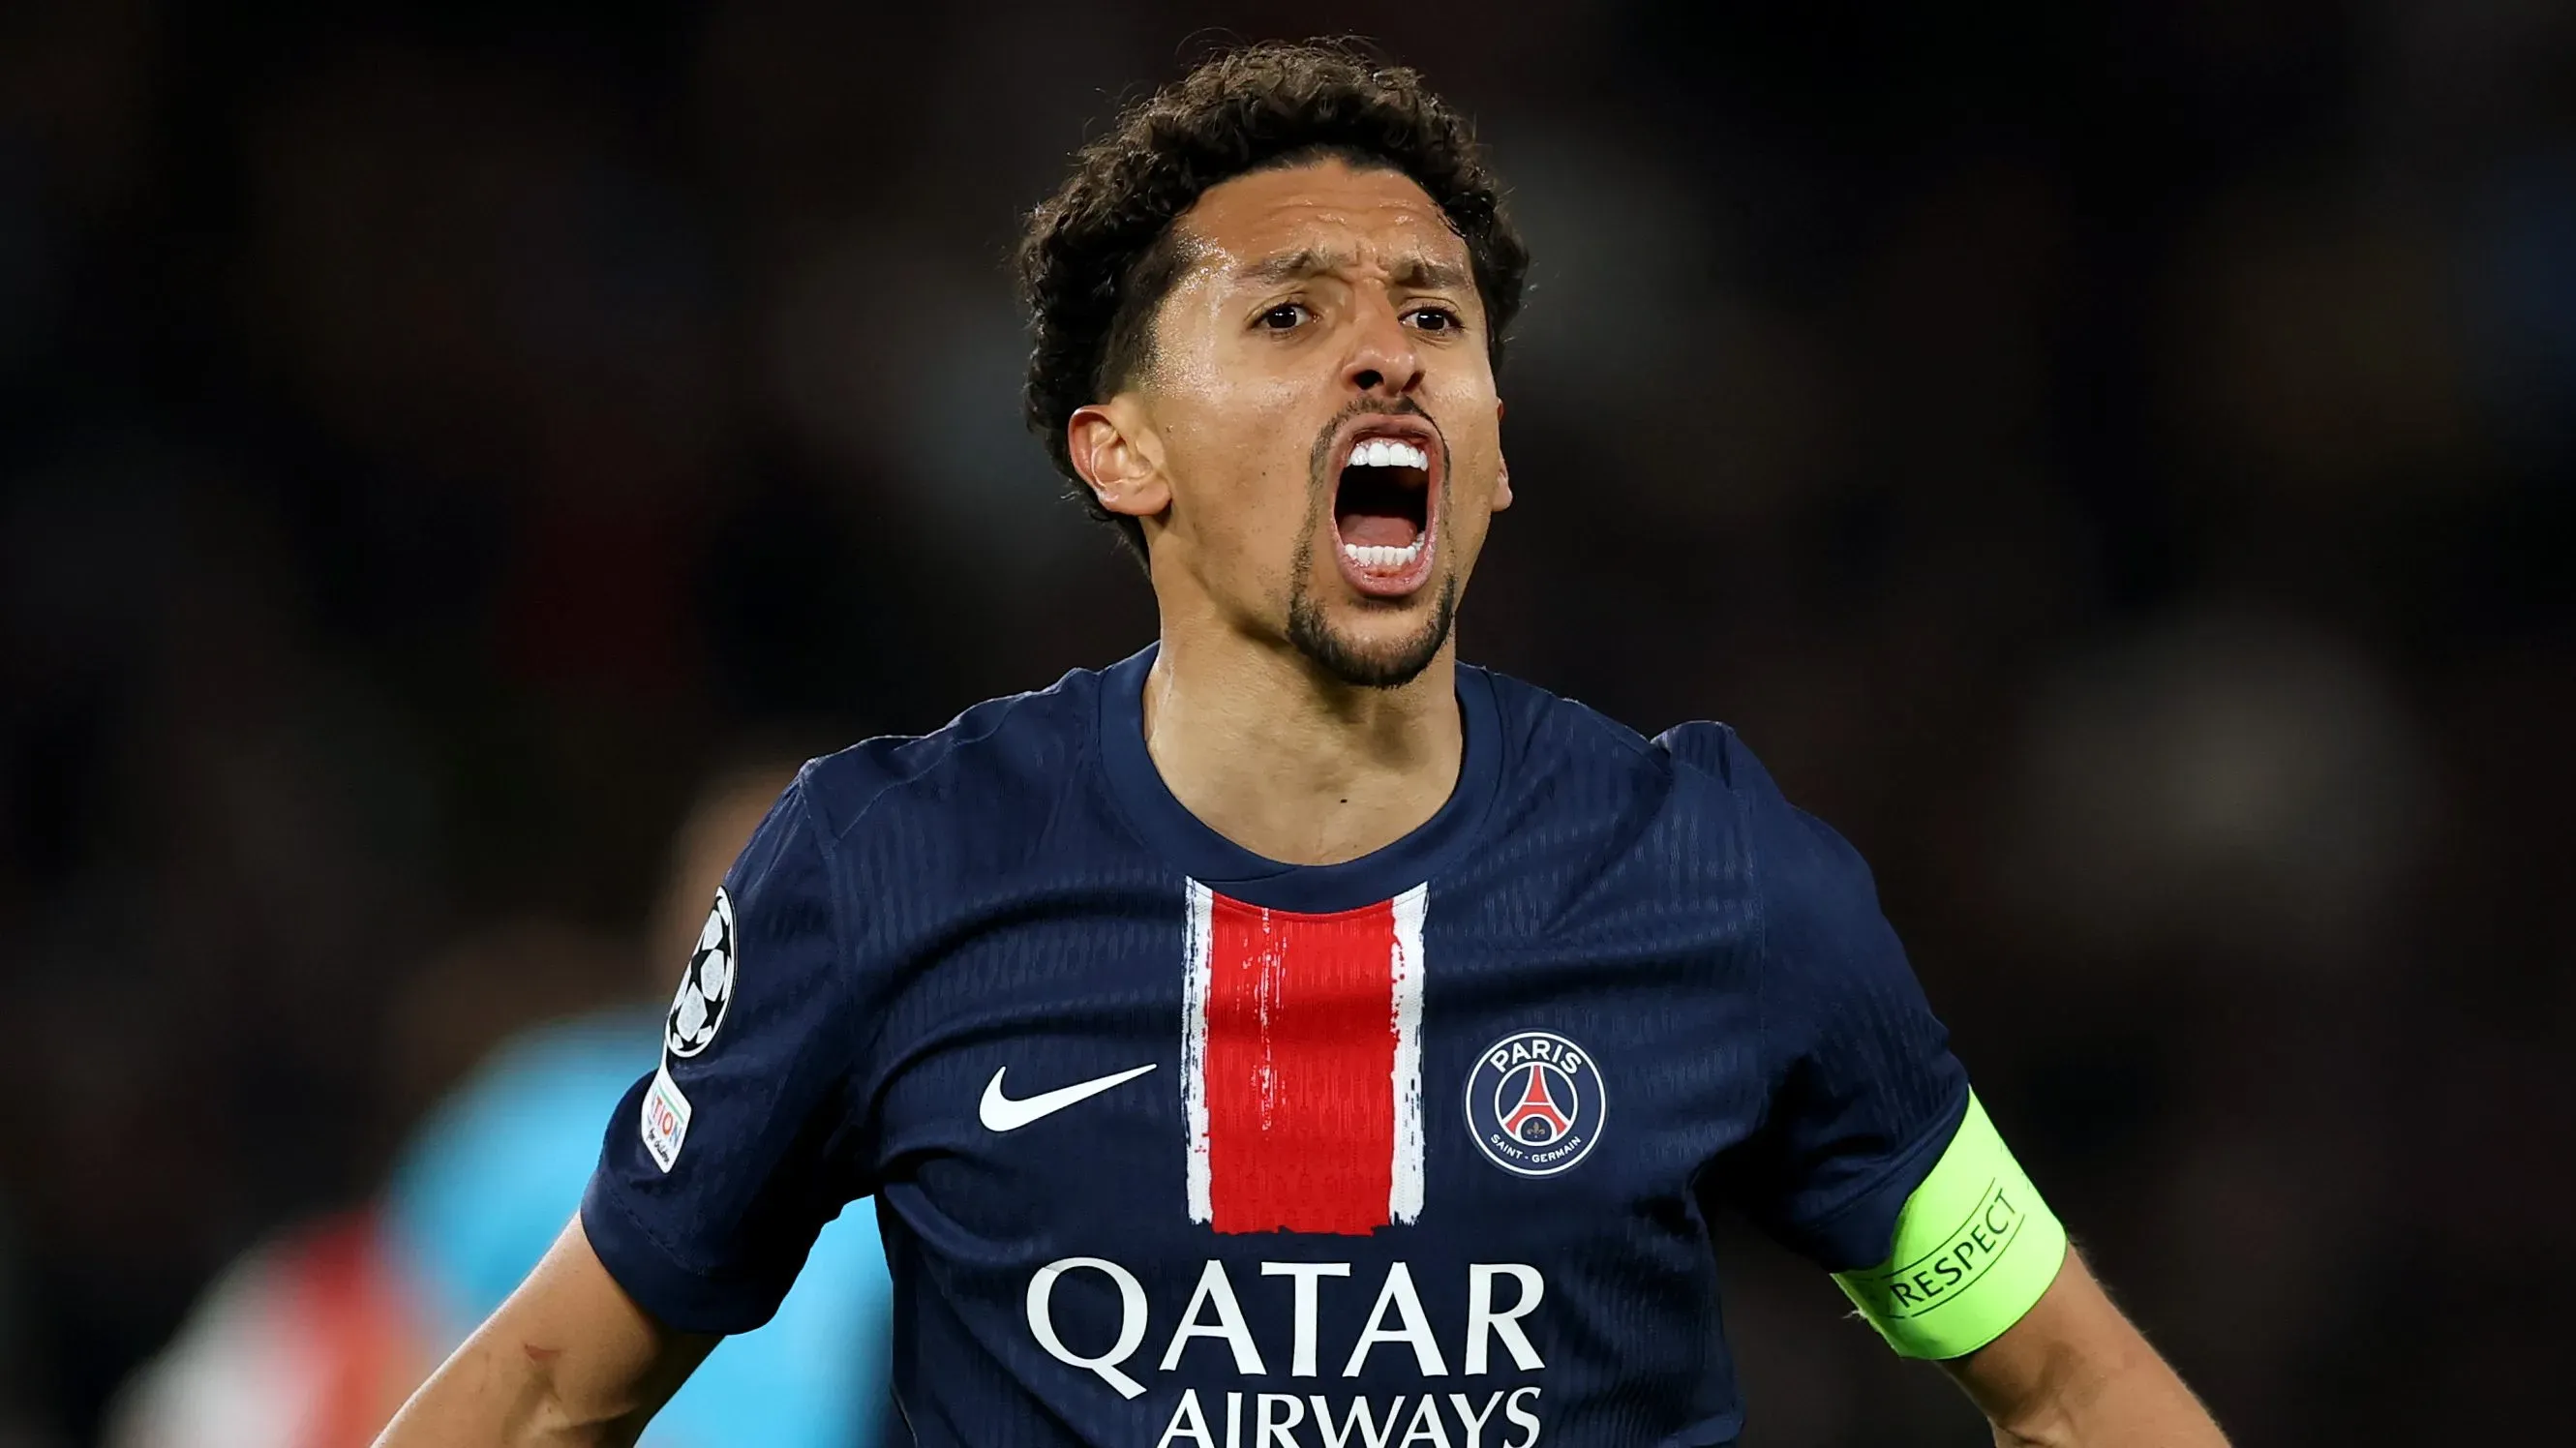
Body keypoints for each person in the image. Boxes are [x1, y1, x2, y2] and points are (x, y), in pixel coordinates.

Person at [379, 41, 2229, 1448]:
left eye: (1436, 316)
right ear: (1122, 454)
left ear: (1495, 451)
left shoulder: (1723, 884)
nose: (1389, 357)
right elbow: (551, 1391)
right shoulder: (885, 873)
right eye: (1288, 315)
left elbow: (2069, 1383)